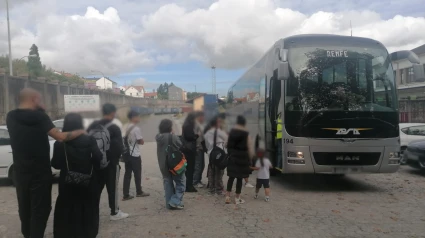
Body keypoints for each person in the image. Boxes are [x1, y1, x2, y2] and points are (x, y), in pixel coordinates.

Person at [6, 88, 86, 238]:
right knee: (40, 210)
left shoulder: (10, 117)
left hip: (20, 172)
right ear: (34, 99)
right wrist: (79, 132)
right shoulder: (40, 117)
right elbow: (60, 137)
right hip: (39, 172)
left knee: (25, 208)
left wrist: (38, 107)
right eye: (40, 99)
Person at [51, 113, 103, 238]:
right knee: (88, 209)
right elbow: (98, 159)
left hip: (67, 183)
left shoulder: (59, 143)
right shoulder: (90, 140)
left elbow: (56, 164)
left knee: (67, 210)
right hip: (88, 182)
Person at [87, 103, 128, 221]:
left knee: (96, 189)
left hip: (95, 163)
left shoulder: (93, 125)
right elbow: (119, 147)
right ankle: (114, 212)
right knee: (113, 188)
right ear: (113, 113)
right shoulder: (114, 127)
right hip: (111, 163)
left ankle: (92, 212)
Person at [155, 119, 186, 209]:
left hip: (163, 165)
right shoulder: (172, 137)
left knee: (168, 183)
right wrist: (173, 134)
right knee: (181, 182)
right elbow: (180, 144)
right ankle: (175, 201)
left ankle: (169, 203)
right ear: (169, 127)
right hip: (174, 164)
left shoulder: (158, 137)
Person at [225, 115, 254, 204]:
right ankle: (237, 198)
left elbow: (226, 144)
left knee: (231, 177)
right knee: (239, 179)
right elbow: (249, 147)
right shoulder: (246, 134)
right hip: (242, 158)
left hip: (232, 157)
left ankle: (227, 196)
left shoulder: (231, 133)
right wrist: (251, 158)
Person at [123, 110, 150, 200]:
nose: (139, 118)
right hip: (135, 154)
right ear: (133, 117)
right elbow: (140, 141)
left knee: (127, 174)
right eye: (138, 116)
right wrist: (142, 140)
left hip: (127, 154)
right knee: (137, 174)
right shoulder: (136, 128)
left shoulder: (126, 127)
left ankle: (126, 194)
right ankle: (139, 191)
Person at [204, 115, 228, 195]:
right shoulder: (220, 132)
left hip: (211, 153)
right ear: (217, 123)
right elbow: (227, 139)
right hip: (220, 154)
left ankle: (211, 188)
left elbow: (207, 145)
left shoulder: (207, 133)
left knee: (211, 170)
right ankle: (219, 189)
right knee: (219, 171)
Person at [181, 112, 199, 192]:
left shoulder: (186, 124)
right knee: (190, 168)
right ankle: (189, 186)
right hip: (189, 150)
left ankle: (186, 185)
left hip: (186, 149)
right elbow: (189, 137)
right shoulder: (188, 125)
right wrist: (196, 136)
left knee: (187, 169)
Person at [193, 111, 206, 188]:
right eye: (203, 116)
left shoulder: (199, 124)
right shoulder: (196, 124)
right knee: (198, 165)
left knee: (202, 165)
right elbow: (195, 136)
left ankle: (198, 180)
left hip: (201, 147)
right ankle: (195, 181)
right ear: (199, 116)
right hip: (198, 147)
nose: (204, 118)